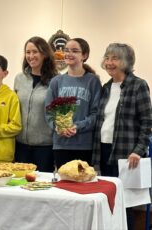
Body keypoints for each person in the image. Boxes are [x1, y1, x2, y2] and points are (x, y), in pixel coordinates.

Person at [93, 43, 152, 230]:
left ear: (126, 62)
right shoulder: (106, 87)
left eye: (115, 58)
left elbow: (147, 122)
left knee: (124, 204)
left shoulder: (139, 85)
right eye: (107, 58)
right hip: (103, 150)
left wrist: (138, 150)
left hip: (127, 156)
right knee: (106, 200)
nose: (109, 62)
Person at [45, 38, 101, 169]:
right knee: (63, 184)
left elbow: (96, 114)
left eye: (75, 51)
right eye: (66, 50)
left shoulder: (93, 81)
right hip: (61, 144)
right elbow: (48, 112)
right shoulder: (56, 81)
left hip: (84, 145)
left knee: (82, 183)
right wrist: (58, 127)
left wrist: (77, 126)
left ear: (84, 55)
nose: (69, 54)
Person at [14, 36, 58, 172]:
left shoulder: (56, 80)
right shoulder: (19, 78)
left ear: (44, 54)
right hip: (20, 146)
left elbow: (59, 113)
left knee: (42, 189)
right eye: (28, 52)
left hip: (45, 148)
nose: (31, 56)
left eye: (35, 52)